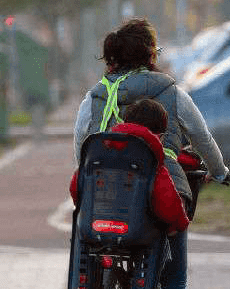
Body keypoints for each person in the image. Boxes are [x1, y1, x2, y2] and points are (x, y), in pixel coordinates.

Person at [74, 17, 230, 289]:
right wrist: (220, 171)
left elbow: (81, 143)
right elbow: (201, 136)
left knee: (96, 245)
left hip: (105, 202)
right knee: (173, 275)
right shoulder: (171, 91)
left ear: (110, 57)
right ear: (151, 55)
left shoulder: (95, 95)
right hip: (157, 204)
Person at [70, 98, 190, 236]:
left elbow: (77, 186)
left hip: (96, 227)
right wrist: (180, 224)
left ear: (123, 123)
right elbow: (169, 206)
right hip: (136, 233)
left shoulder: (100, 152)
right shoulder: (152, 163)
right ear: (160, 136)